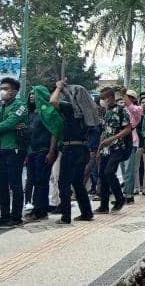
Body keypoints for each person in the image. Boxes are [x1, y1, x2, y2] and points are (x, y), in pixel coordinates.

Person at [50, 80, 94, 224]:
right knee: (78, 183)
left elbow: (53, 101)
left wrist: (58, 88)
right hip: (83, 149)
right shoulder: (88, 112)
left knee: (64, 183)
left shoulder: (70, 108)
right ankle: (86, 213)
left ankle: (66, 217)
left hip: (70, 149)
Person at [0, 77, 27, 229]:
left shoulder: (21, 106)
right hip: (0, 149)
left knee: (15, 184)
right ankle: (4, 217)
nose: (2, 91)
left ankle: (16, 217)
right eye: (1, 89)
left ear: (14, 91)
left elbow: (10, 122)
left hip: (14, 149)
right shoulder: (0, 108)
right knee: (2, 185)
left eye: (6, 89)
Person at [24, 86, 59, 223]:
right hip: (32, 151)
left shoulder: (49, 111)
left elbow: (54, 132)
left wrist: (51, 151)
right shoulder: (30, 113)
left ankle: (40, 211)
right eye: (30, 93)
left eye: (35, 93)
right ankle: (36, 209)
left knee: (41, 181)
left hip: (44, 151)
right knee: (33, 181)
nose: (32, 96)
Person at [95, 88, 131, 213]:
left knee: (109, 172)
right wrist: (99, 149)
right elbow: (104, 132)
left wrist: (112, 139)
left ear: (109, 98)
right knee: (102, 175)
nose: (101, 101)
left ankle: (120, 198)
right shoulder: (106, 112)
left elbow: (127, 129)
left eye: (102, 98)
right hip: (105, 149)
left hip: (118, 147)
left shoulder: (121, 111)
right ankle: (103, 206)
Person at [121, 90, 143, 204]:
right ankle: (124, 193)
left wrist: (125, 95)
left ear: (134, 99)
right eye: (126, 96)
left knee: (129, 170)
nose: (126, 99)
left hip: (131, 141)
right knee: (123, 169)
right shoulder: (121, 109)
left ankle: (128, 195)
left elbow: (132, 109)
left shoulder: (138, 109)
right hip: (120, 141)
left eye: (130, 97)